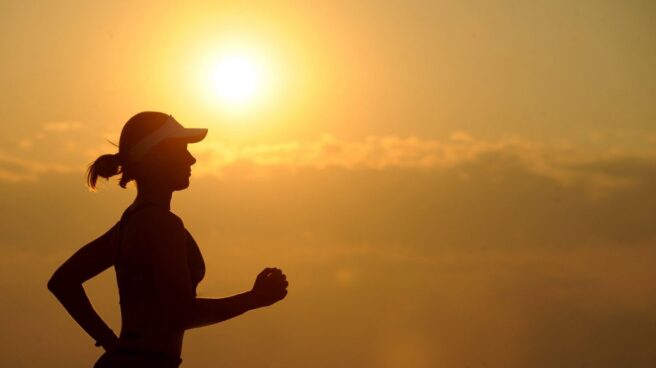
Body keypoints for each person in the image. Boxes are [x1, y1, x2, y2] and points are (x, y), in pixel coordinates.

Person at [47, 111, 289, 367]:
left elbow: (63, 281)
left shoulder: (129, 223)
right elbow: (180, 313)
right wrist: (253, 299)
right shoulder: (163, 225)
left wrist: (111, 343)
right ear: (155, 157)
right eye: (181, 150)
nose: (192, 159)